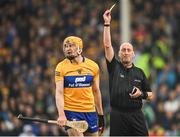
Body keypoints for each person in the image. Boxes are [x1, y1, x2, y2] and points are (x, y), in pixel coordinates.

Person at [103, 10, 153, 136]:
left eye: (128, 50)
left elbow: (151, 95)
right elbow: (107, 45)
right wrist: (107, 24)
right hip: (117, 114)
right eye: (123, 50)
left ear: (133, 54)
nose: (125, 52)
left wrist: (141, 94)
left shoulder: (140, 72)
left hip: (136, 114)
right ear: (119, 54)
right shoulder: (114, 67)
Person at [55, 36, 104, 136]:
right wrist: (61, 114)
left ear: (80, 49)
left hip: (90, 112)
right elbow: (59, 92)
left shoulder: (93, 66)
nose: (68, 49)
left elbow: (96, 91)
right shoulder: (61, 67)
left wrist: (101, 115)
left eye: (71, 46)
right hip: (71, 111)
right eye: (66, 46)